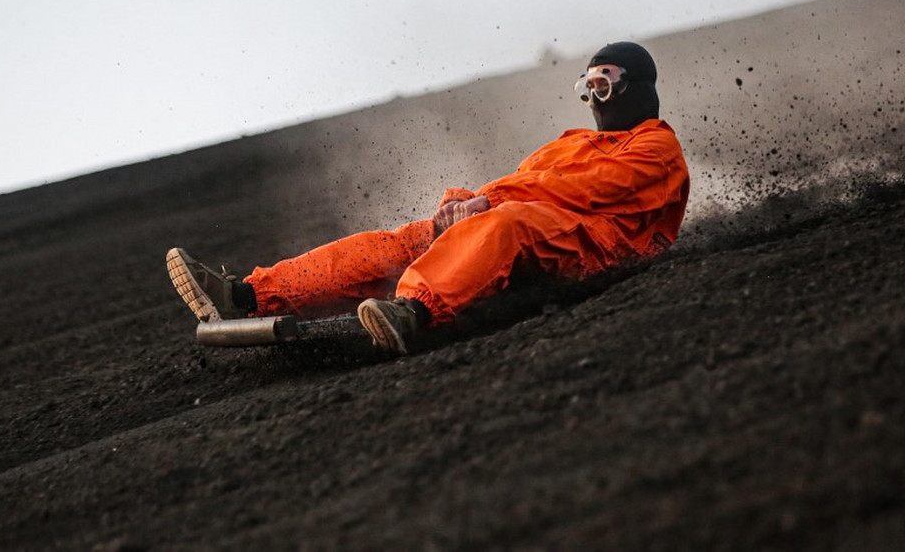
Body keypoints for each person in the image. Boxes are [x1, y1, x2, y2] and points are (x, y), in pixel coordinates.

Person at [167, 41, 690, 355]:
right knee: (411, 237)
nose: (594, 98)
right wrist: (459, 205)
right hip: (535, 225)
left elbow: (588, 191)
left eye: (606, 83)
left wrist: (487, 204)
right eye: (587, 85)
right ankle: (247, 296)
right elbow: (520, 183)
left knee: (508, 223)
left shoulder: (657, 146)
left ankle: (411, 312)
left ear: (636, 87)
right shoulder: (571, 142)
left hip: (602, 245)